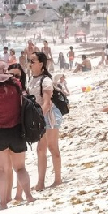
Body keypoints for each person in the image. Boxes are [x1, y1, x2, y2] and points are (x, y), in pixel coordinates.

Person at [0, 61, 34, 210]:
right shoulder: (15, 87)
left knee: (1, 169)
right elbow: (19, 86)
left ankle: (3, 203)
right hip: (16, 129)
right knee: (21, 168)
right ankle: (28, 196)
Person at [28, 51, 62, 191]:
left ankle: (57, 179)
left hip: (49, 117)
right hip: (39, 117)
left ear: (41, 64)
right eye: (29, 61)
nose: (29, 64)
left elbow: (47, 103)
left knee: (52, 147)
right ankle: (41, 182)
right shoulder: (32, 79)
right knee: (40, 149)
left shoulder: (46, 80)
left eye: (32, 61)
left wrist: (38, 118)